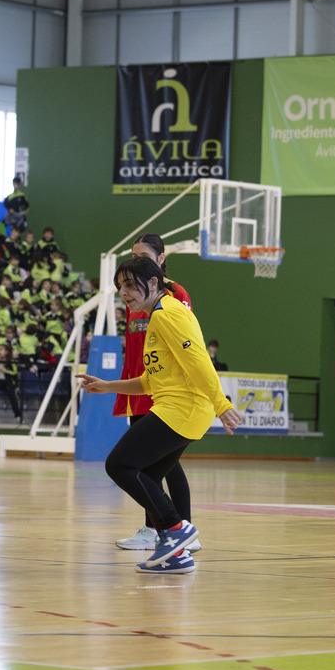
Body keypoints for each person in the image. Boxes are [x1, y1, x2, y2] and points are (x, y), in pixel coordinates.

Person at [76, 256, 242, 575]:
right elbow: (151, 381)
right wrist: (108, 386)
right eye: (119, 287)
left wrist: (221, 404)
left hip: (183, 407)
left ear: (153, 283)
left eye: (128, 284)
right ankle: (177, 553)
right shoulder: (156, 319)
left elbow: (199, 361)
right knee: (149, 476)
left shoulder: (168, 314)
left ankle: (176, 528)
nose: (123, 292)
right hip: (182, 409)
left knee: (119, 465)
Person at [111, 233, 201, 553]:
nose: (138, 260)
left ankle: (177, 527)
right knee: (151, 466)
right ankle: (166, 528)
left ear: (161, 259)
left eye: (144, 255)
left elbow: (185, 347)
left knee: (159, 463)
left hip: (164, 390)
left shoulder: (174, 295)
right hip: (139, 383)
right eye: (133, 254)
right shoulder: (133, 297)